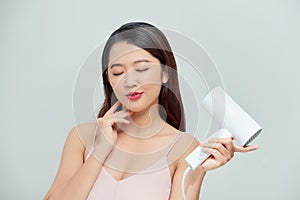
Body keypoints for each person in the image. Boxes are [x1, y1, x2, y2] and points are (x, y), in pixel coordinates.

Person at [44, 22, 258, 200]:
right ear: (108, 79)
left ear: (165, 74)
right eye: (117, 72)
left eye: (142, 68)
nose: (129, 81)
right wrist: (99, 151)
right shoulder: (82, 138)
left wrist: (196, 172)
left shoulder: (183, 147)